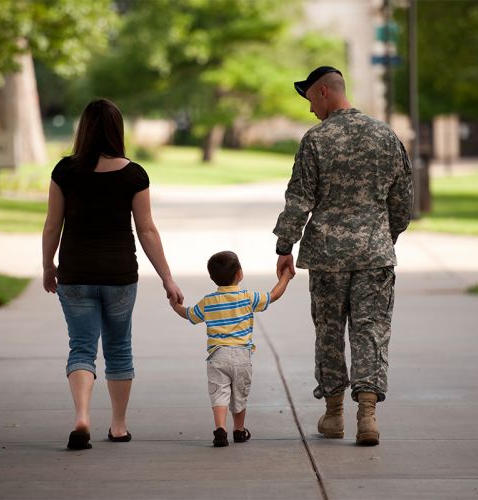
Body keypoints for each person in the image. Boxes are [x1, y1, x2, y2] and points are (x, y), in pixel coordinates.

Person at [273, 66, 413, 446]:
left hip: (326, 258)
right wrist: (383, 237)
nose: (310, 110)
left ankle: (334, 415)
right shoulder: (385, 135)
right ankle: (367, 417)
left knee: (330, 333)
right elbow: (402, 202)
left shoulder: (316, 140)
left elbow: (299, 199)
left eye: (310, 100)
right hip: (374, 255)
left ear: (323, 92)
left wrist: (285, 246)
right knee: (371, 332)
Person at [42, 98, 183, 450]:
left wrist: (48, 266)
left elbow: (52, 225)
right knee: (119, 349)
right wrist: (168, 279)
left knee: (81, 347)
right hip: (119, 276)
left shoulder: (65, 171)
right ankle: (118, 426)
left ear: (84, 129)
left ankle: (82, 417)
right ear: (117, 130)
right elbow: (147, 230)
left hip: (75, 275)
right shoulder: (134, 174)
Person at [169, 251, 293, 447]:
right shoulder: (247, 297)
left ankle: (220, 428)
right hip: (241, 356)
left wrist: (175, 305)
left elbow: (189, 315)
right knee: (239, 393)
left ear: (212, 278)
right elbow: (274, 295)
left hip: (217, 356)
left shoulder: (208, 301)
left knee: (219, 392)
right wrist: (286, 277)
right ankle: (239, 430)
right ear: (240, 274)